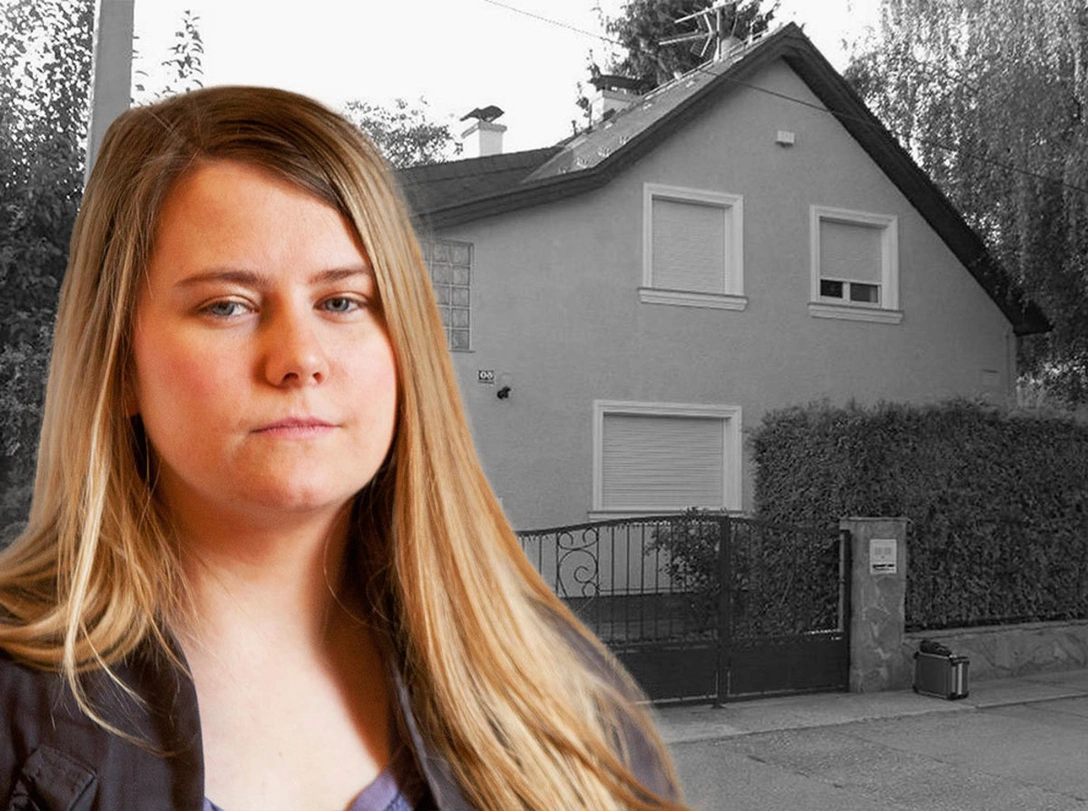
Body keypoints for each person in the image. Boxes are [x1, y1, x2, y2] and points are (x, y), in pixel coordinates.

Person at [0, 86, 686, 811]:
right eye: (227, 305)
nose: (300, 358)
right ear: (118, 362)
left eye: (341, 302)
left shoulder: (572, 706)